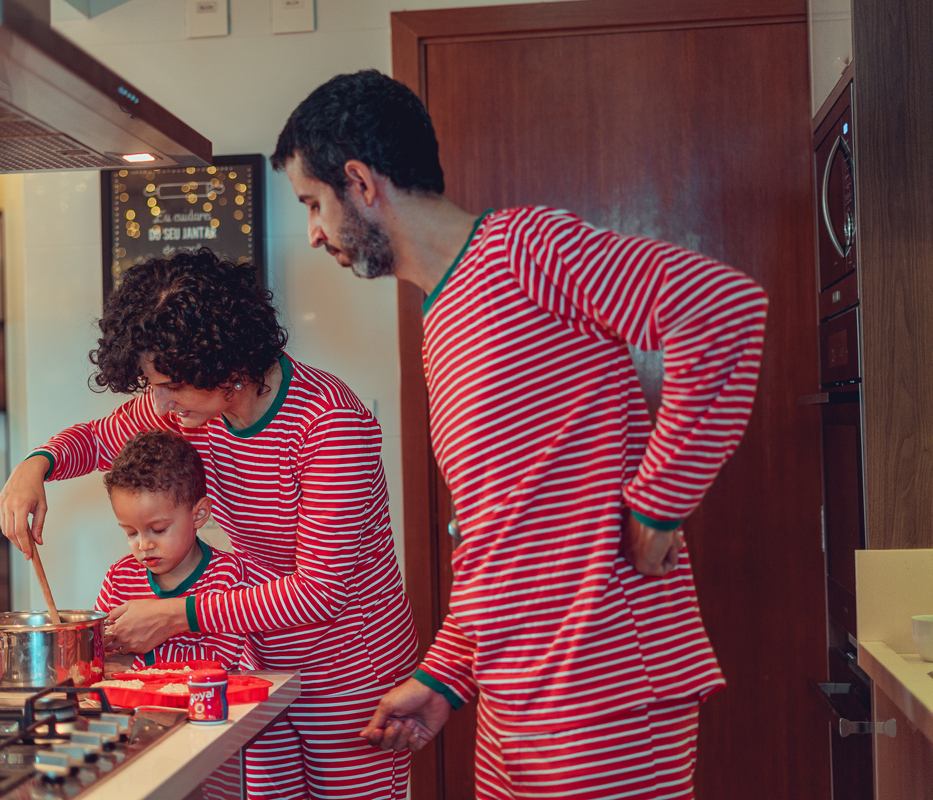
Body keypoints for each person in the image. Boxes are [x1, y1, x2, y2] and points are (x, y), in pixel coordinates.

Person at [271, 69, 768, 799]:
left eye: (314, 204)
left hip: (605, 683)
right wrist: (443, 676)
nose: (315, 233)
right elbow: (501, 533)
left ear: (360, 183)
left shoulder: (520, 249)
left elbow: (721, 308)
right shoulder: (441, 317)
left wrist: (660, 502)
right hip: (515, 693)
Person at [0, 248, 418, 800]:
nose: (159, 402)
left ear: (228, 363)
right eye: (152, 384)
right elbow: (99, 437)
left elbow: (322, 591)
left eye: (170, 384)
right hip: (261, 663)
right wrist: (37, 465)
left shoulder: (329, 426)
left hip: (348, 668)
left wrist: (177, 614)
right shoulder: (190, 407)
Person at [94, 429, 271, 670]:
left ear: (199, 514)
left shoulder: (226, 576)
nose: (144, 545)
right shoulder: (119, 577)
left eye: (158, 529)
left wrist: (138, 661)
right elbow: (99, 647)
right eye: (131, 533)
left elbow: (220, 659)